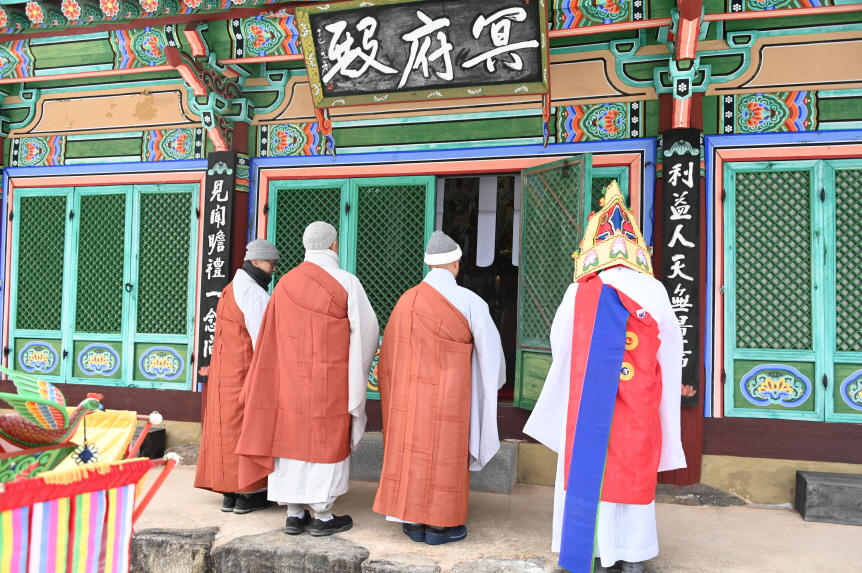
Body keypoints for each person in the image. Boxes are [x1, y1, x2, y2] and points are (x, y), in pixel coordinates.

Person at [523, 181, 686, 573]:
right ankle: (633, 556)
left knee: (587, 471)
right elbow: (670, 348)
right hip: (639, 396)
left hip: (588, 400)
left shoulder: (579, 290)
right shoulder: (654, 289)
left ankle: (591, 551)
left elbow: (560, 342)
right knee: (633, 467)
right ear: (635, 247)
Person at [235, 222, 379, 536]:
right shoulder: (346, 282)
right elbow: (367, 333)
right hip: (329, 381)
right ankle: (323, 516)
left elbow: (269, 336)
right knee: (324, 440)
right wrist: (357, 373)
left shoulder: (285, 283)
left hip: (289, 380)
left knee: (289, 439)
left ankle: (294, 513)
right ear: (333, 245)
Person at [373, 231, 505, 545]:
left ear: (429, 264)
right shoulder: (471, 301)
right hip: (452, 395)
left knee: (412, 454)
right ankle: (440, 527)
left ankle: (413, 522)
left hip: (411, 396)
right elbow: (492, 358)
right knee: (446, 456)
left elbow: (388, 356)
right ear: (455, 264)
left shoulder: (406, 301)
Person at [194, 239, 281, 515]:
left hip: (226, 374)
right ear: (255, 261)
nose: (273, 270)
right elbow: (262, 341)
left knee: (227, 431)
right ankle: (248, 494)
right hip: (246, 373)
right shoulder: (255, 294)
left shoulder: (231, 288)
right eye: (271, 264)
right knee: (247, 431)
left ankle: (229, 494)